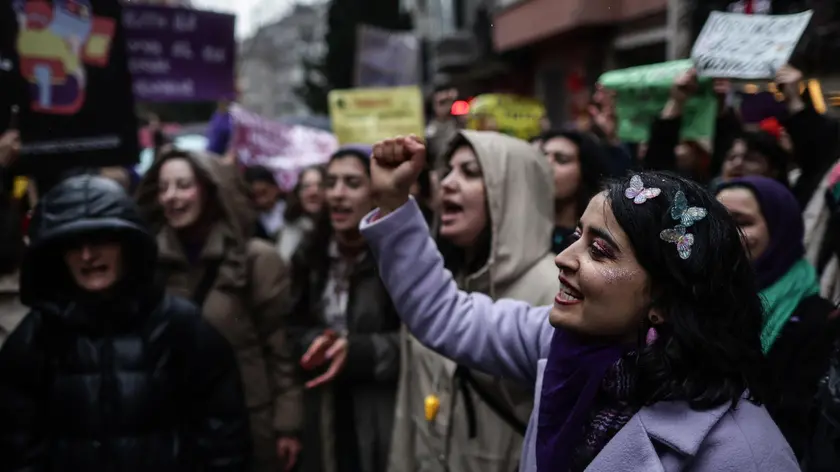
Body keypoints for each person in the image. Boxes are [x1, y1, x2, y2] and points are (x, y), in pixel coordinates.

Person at [363, 135, 798, 472]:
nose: (563, 259)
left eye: (600, 250)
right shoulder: (555, 341)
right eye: (577, 237)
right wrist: (393, 202)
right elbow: (444, 314)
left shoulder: (744, 450)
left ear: (662, 300)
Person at [0, 175, 251, 471]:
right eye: (73, 244)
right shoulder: (35, 337)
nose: (87, 255)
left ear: (127, 245)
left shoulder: (180, 326)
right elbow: (17, 446)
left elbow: (223, 437)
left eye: (101, 240)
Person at [389, 130, 557, 472]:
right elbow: (408, 410)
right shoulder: (439, 282)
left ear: (512, 191)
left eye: (469, 172)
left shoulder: (556, 289)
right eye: (447, 171)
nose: (447, 183)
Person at [135, 149, 302, 472]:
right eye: (164, 187)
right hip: (173, 431)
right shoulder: (147, 266)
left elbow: (280, 350)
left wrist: (288, 426)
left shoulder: (257, 261)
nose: (172, 197)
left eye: (183, 185)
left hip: (250, 428)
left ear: (212, 191)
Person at [289, 145, 400, 472]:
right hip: (324, 407)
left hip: (383, 409)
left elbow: (417, 341)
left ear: (376, 192)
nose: (337, 194)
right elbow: (289, 326)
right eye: (331, 182)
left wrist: (357, 352)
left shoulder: (396, 257)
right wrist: (314, 342)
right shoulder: (310, 255)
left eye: (352, 183)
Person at [716, 176, 839, 459]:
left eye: (741, 222)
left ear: (780, 233)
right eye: (715, 221)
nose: (724, 234)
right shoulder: (687, 300)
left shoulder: (816, 321)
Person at [540, 130, 611, 253]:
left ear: (585, 171)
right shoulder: (518, 227)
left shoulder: (601, 237)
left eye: (561, 159)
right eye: (541, 157)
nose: (546, 165)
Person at [276, 165, 325, 262]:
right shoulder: (289, 231)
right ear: (299, 193)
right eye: (306, 186)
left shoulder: (338, 232)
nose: (313, 192)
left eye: (320, 185)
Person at [244, 165, 287, 241]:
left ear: (275, 188)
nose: (261, 201)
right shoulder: (250, 220)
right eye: (255, 196)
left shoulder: (291, 210)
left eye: (264, 193)